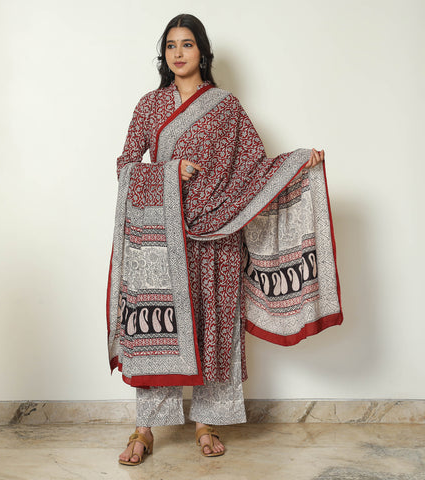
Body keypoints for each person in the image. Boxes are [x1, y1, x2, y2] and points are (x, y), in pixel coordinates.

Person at [107, 13, 342, 466]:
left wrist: (297, 163)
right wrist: (168, 172)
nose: (178, 53)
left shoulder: (226, 108)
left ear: (202, 52)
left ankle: (207, 422)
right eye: (171, 45)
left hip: (217, 234)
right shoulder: (149, 106)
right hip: (161, 236)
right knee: (157, 329)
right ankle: (145, 427)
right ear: (163, 55)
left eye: (187, 44)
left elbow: (255, 168)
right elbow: (125, 167)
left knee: (214, 325)